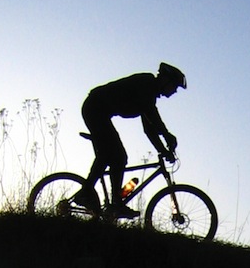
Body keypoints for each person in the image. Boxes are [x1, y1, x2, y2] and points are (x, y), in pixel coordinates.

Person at [76, 62, 187, 218]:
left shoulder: (148, 95)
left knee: (114, 156)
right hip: (94, 108)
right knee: (115, 156)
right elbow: (152, 114)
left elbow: (149, 130)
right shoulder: (146, 84)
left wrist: (163, 150)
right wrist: (167, 134)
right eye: (174, 87)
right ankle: (94, 196)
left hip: (98, 111)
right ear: (165, 80)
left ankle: (112, 201)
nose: (174, 91)